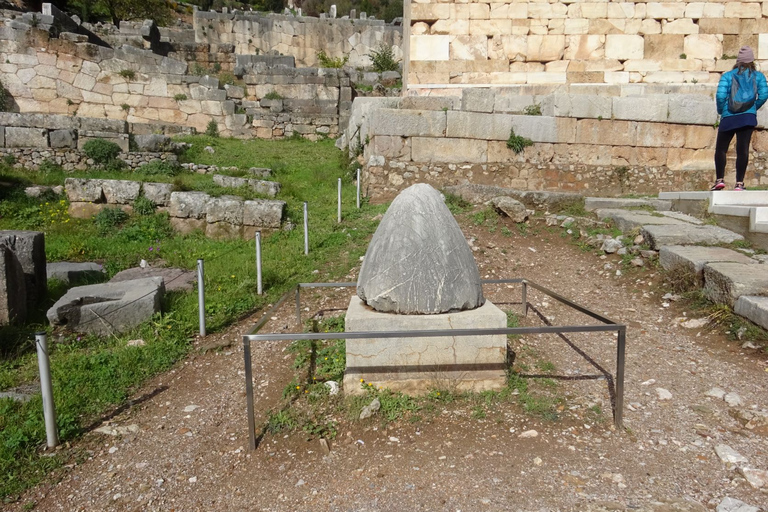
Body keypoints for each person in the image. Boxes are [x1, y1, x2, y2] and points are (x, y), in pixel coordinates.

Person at [713, 46, 768, 191]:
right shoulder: (759, 76)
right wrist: (753, 108)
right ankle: (739, 184)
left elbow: (720, 96)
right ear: (752, 60)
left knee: (721, 149)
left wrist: (721, 110)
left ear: (738, 60)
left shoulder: (728, 76)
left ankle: (719, 180)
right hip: (747, 118)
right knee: (742, 150)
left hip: (729, 116)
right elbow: (763, 95)